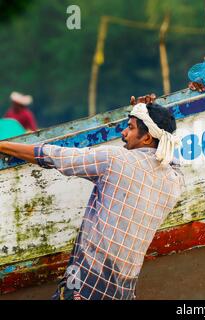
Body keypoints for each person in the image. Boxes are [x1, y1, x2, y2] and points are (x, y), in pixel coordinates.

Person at [0, 93, 184, 300]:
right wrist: (145, 112)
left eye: (130, 128)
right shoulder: (175, 180)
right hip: (123, 292)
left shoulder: (116, 159)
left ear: (147, 137)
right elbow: (169, 154)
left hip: (86, 283)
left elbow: (53, 156)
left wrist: (3, 145)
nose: (123, 133)